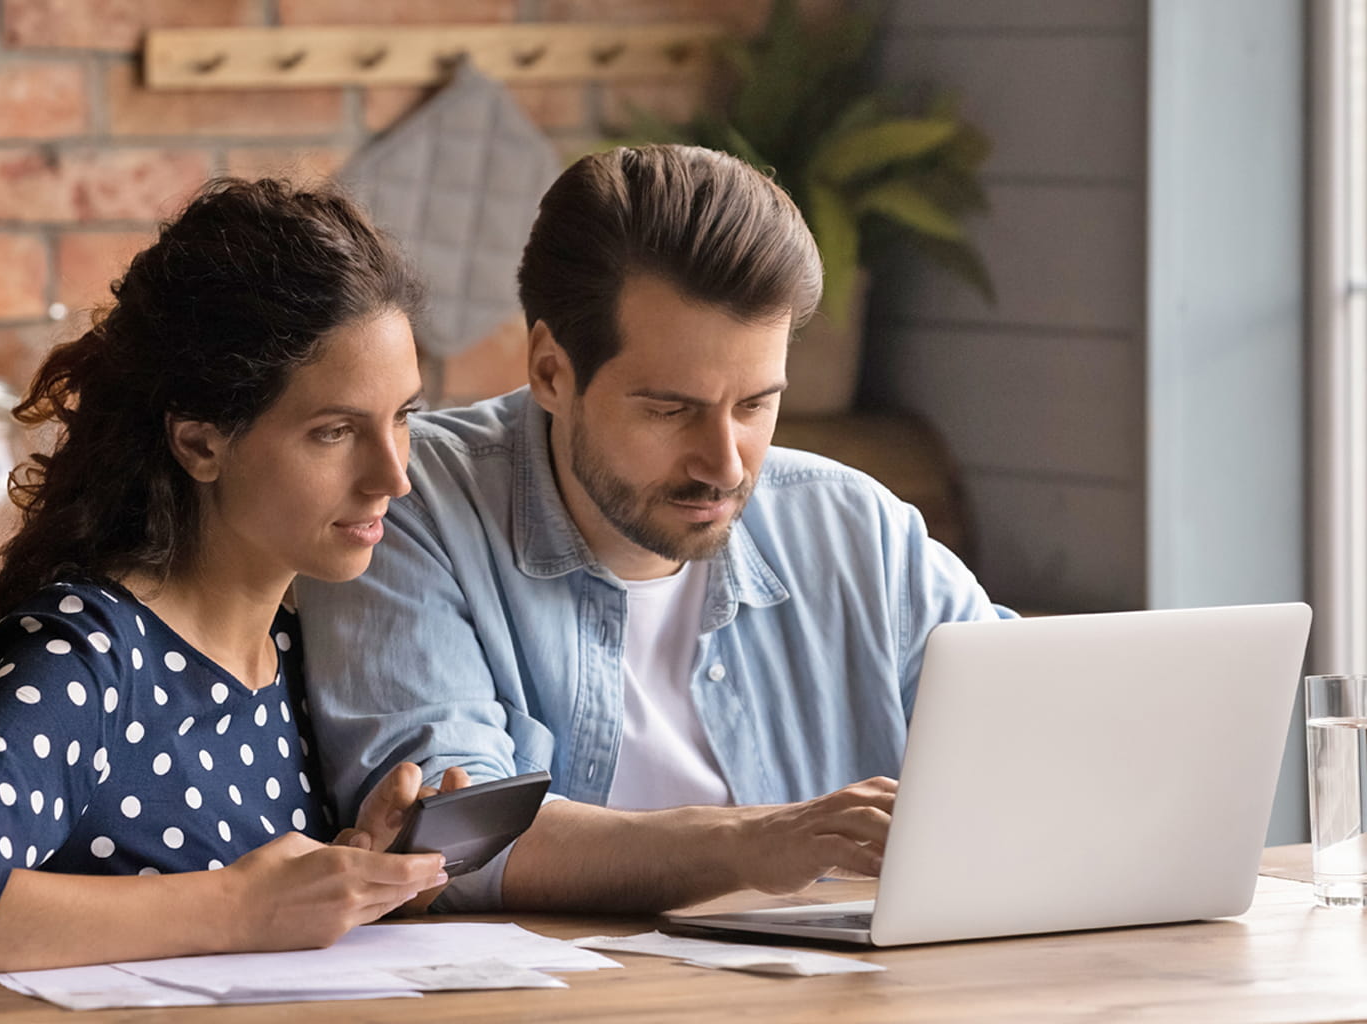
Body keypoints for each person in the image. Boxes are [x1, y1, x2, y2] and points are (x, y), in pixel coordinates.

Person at [294, 144, 1014, 915]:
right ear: (549, 371)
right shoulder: (409, 505)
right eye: (671, 410)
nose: (725, 464)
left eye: (755, 405)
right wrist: (757, 844)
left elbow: (1033, 737)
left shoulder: (856, 529)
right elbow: (451, 845)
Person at [0, 179, 464, 980]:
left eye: (403, 415)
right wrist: (242, 907)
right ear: (201, 444)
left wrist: (349, 877)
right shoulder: (93, 657)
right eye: (334, 431)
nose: (393, 476)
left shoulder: (292, 647)